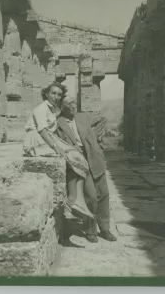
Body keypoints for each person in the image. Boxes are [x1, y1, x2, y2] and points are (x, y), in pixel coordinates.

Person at [23, 82, 94, 220]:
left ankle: (77, 200)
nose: (56, 96)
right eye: (53, 93)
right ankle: (73, 201)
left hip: (48, 138)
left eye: (59, 94)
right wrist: (57, 148)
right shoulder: (40, 108)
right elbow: (43, 131)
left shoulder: (54, 109)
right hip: (37, 140)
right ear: (46, 94)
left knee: (80, 159)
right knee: (73, 158)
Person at [56, 96, 117, 243]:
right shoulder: (58, 122)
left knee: (104, 194)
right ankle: (90, 230)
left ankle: (105, 228)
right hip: (78, 160)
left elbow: (102, 119)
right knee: (91, 196)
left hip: (94, 157)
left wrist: (94, 140)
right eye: (68, 104)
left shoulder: (83, 116)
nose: (72, 106)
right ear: (62, 107)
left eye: (73, 103)